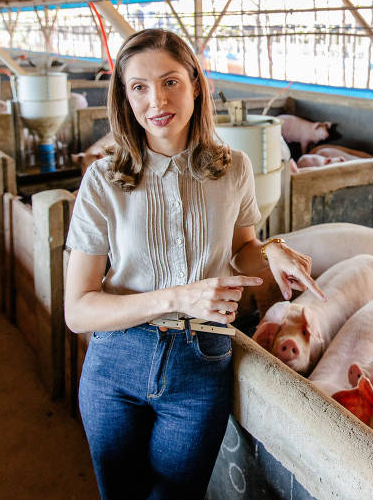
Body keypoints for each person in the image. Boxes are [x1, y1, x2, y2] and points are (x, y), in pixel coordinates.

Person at [64, 28, 324, 499]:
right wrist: (181, 297)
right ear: (124, 97)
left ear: (196, 84)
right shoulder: (104, 180)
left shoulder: (234, 168)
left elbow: (242, 247)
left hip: (199, 362)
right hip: (116, 363)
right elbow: (78, 309)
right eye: (139, 87)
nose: (156, 100)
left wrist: (271, 249)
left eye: (170, 81)